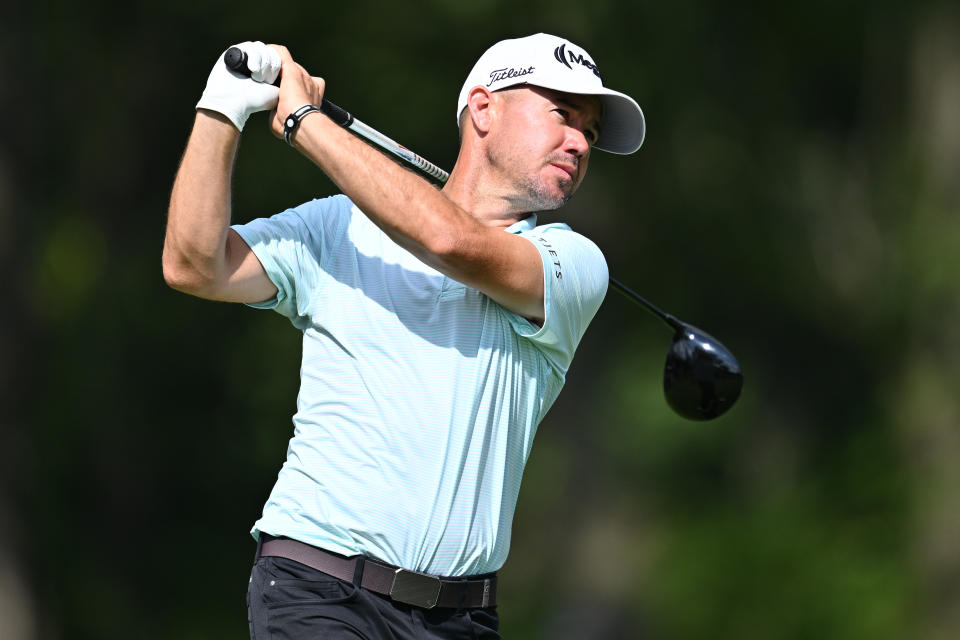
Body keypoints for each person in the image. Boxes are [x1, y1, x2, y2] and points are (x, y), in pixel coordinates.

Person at [163, 32, 645, 640]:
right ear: (484, 107)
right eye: (563, 114)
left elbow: (452, 243)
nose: (579, 141)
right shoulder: (337, 226)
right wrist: (222, 108)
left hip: (461, 620)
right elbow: (194, 264)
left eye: (591, 134)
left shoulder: (570, 263)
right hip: (318, 590)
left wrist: (306, 123)